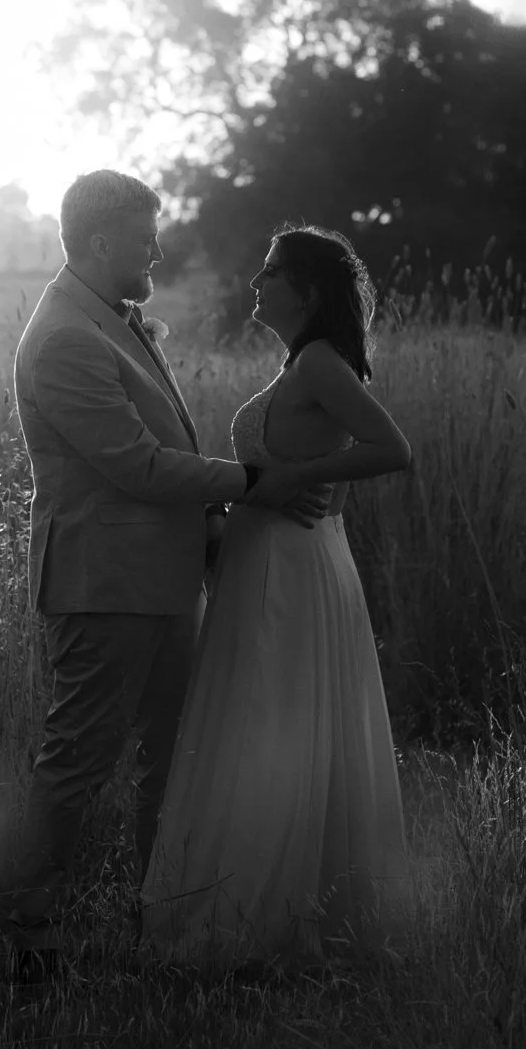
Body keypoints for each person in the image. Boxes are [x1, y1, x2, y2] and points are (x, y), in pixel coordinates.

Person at [9, 171, 333, 982]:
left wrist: (216, 527)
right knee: (79, 758)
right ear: (100, 243)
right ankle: (29, 933)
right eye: (146, 236)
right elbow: (137, 466)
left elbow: (159, 448)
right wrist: (255, 482)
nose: (158, 248)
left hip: (161, 576)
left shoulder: (113, 324)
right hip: (103, 583)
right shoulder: (64, 339)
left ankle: (160, 910)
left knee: (170, 753)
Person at [139, 225, 412, 965]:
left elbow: (391, 449)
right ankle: (251, 896)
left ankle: (269, 914)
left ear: (308, 290)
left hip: (293, 563)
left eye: (270, 272)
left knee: (273, 716)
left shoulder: (321, 363)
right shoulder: (299, 363)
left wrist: (291, 480)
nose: (255, 283)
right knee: (262, 716)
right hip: (265, 555)